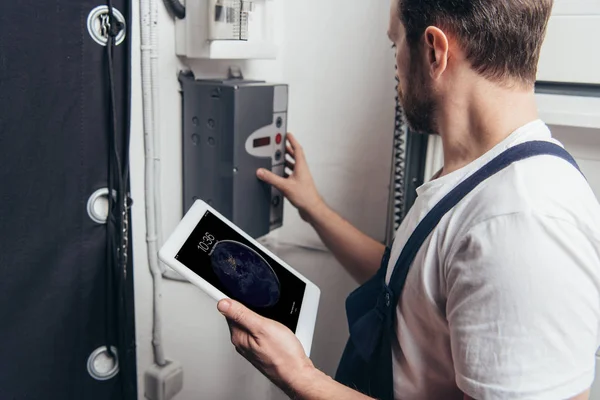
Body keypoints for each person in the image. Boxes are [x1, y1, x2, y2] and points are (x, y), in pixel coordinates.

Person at [216, 0, 600, 399]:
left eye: (394, 44)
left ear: (434, 51)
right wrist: (313, 208)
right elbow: (407, 288)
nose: (396, 65)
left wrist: (298, 375)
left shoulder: (523, 223)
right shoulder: (473, 175)